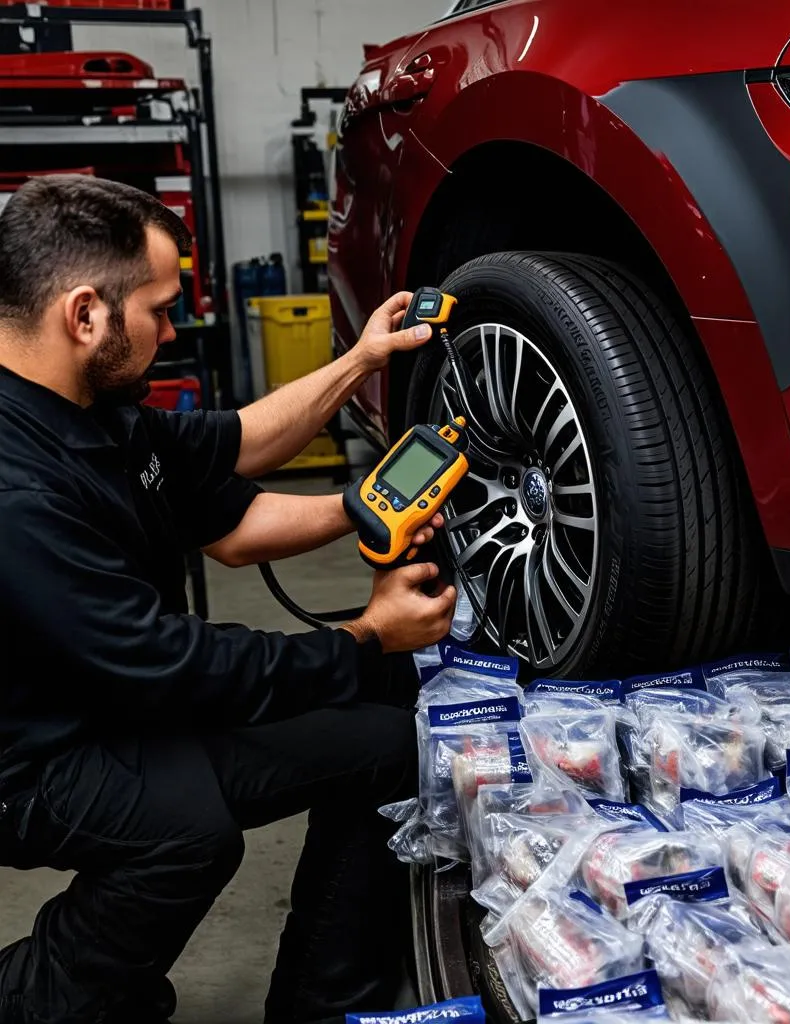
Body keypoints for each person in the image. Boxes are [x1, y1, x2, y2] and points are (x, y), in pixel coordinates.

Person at [0, 175, 458, 1024]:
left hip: (112, 698)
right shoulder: (18, 490)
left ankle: (318, 1007)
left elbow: (238, 467)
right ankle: (39, 999)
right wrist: (364, 636)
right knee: (188, 833)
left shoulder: (95, 404)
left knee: (393, 740)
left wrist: (361, 371)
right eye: (162, 311)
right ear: (85, 314)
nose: (173, 334)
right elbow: (169, 666)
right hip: (32, 761)